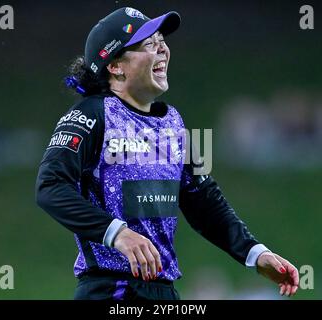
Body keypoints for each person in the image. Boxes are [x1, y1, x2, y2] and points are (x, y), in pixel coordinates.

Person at [35, 7, 299, 300]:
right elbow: (50, 187)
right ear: (115, 66)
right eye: (149, 43)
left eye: (162, 40)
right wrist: (117, 233)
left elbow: (203, 198)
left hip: (164, 292)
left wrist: (255, 252)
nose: (163, 49)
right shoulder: (91, 114)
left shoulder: (174, 122)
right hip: (111, 289)